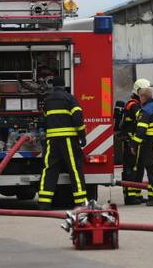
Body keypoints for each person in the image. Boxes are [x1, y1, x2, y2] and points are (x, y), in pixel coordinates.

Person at [38, 75, 87, 209]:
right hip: (68, 140)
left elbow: (43, 120)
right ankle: (80, 201)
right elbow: (78, 117)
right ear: (64, 86)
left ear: (53, 86)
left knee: (49, 169)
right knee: (74, 169)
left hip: (51, 141)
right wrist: (82, 135)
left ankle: (44, 202)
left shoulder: (47, 100)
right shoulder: (69, 98)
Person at [116, 78, 150, 205]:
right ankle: (130, 197)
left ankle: (137, 194)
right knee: (132, 168)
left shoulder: (137, 104)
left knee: (138, 168)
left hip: (134, 141)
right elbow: (141, 117)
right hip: (131, 142)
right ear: (139, 92)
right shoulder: (133, 105)